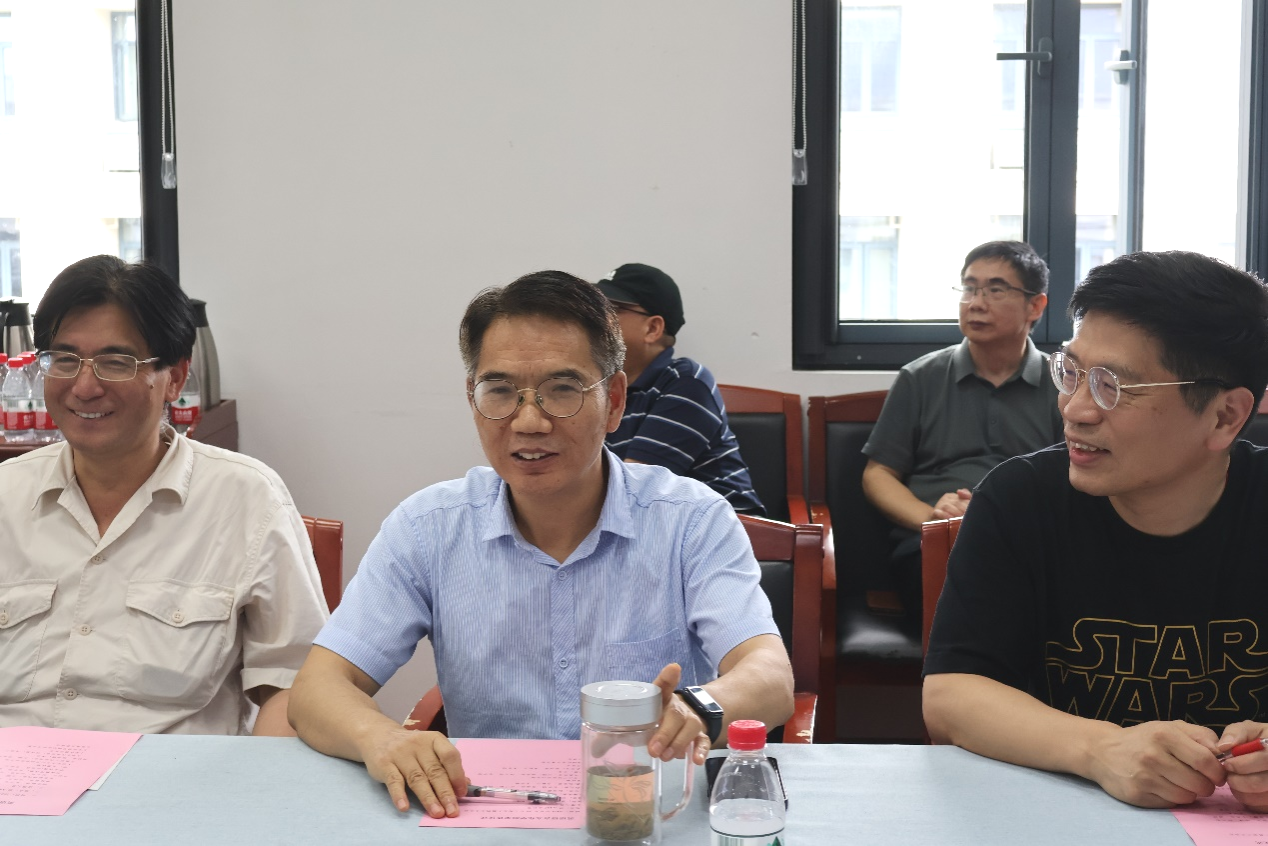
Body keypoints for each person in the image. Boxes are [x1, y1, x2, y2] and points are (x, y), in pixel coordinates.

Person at [288, 269, 793, 819]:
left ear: (614, 401)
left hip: (644, 813)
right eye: (501, 391)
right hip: (491, 815)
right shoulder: (427, 527)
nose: (528, 421)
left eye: (562, 391)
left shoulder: (691, 521)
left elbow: (770, 677)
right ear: (473, 399)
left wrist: (697, 708)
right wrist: (382, 738)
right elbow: (317, 689)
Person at [923, 250, 1268, 812]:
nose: (1076, 409)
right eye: (1073, 373)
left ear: (1225, 415)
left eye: (1115, 386)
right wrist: (1101, 749)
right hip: (1059, 813)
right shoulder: (1019, 499)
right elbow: (951, 694)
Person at [0, 255, 328, 735]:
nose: (84, 387)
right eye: (65, 360)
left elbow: (294, 685)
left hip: (172, 779)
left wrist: (257, 778)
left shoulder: (245, 500)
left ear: (174, 378)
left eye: (115, 363)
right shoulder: (7, 495)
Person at [861, 240, 1061, 615]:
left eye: (995, 290)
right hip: (934, 543)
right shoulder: (920, 378)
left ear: (1035, 305)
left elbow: (1079, 478)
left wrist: (1002, 520)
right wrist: (934, 519)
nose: (975, 303)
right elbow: (878, 474)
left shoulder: (1063, 386)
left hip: (1028, 539)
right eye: (969, 288)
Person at [597, 263, 765, 515]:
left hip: (732, 528)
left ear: (652, 329)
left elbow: (634, 489)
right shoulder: (601, 387)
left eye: (611, 309)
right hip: (651, 524)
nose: (593, 319)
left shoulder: (688, 382)